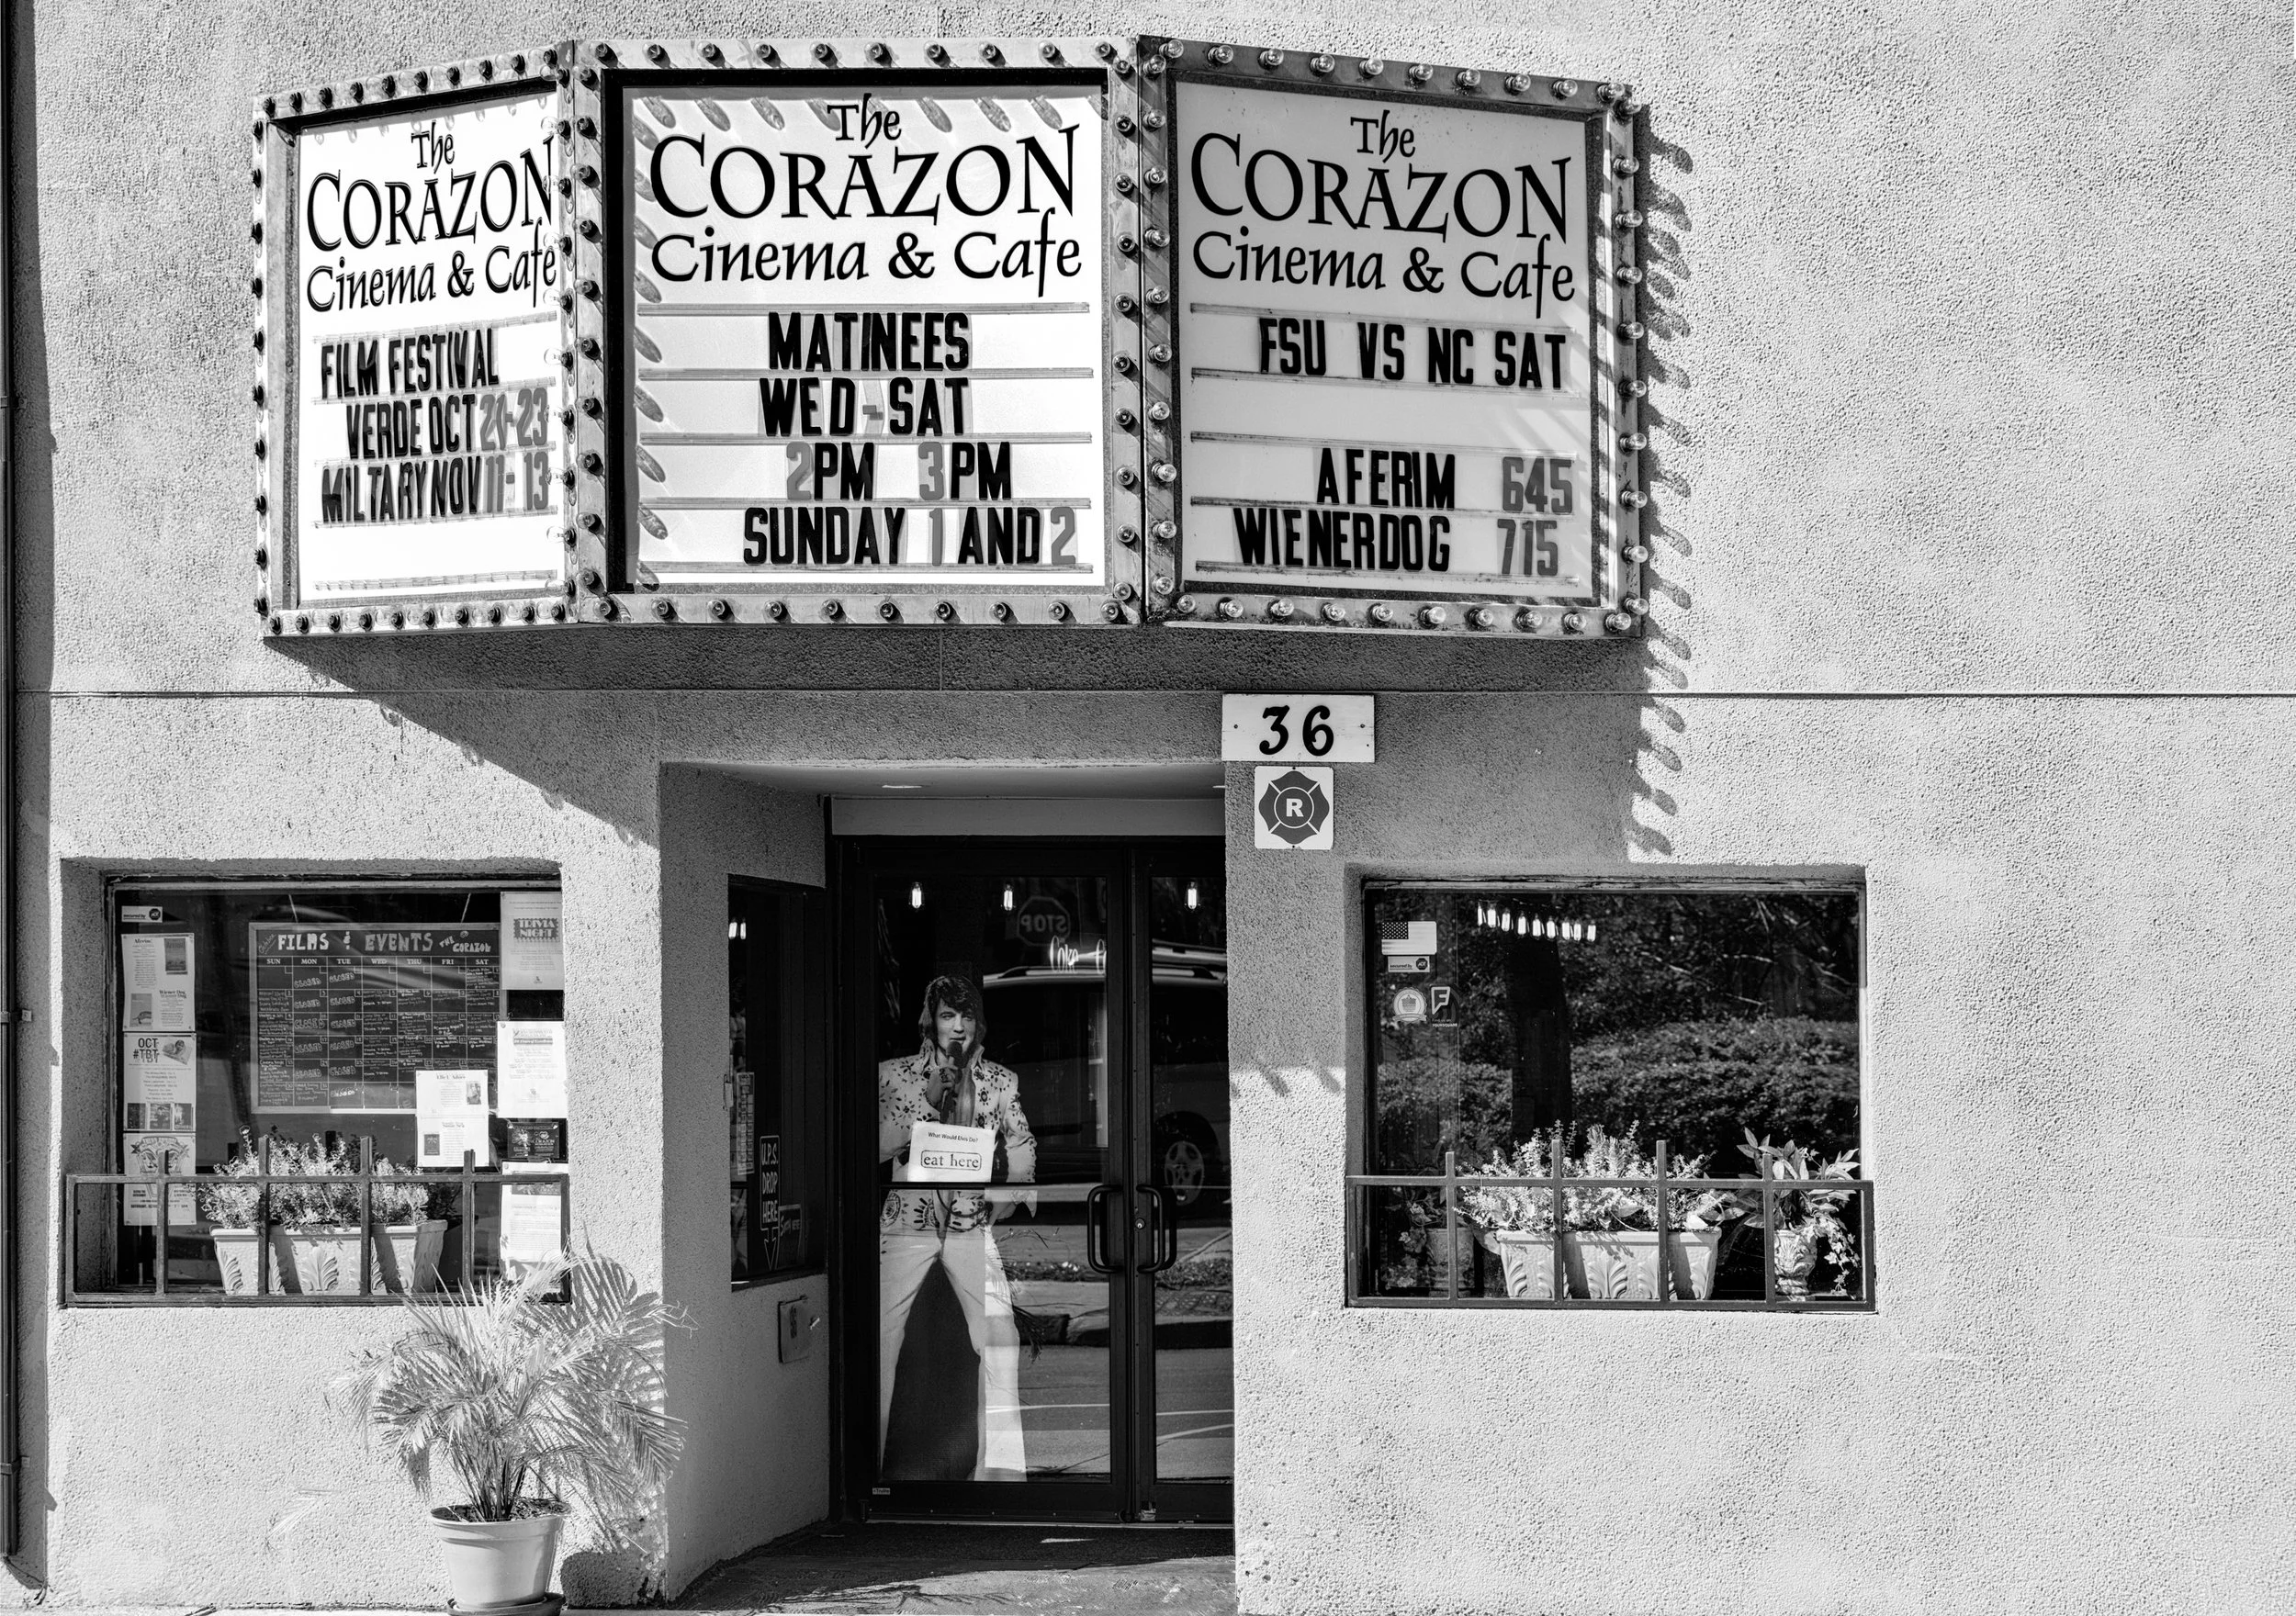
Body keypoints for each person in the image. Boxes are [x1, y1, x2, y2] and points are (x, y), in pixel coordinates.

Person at [878, 973, 1036, 1481]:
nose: (959, 1027)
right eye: (949, 1015)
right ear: (931, 1020)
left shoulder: (1000, 1081)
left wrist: (1009, 1194)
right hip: (908, 1221)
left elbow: (1022, 1143)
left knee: (999, 1337)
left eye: (967, 1016)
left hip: (970, 1222)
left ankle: (1001, 1477)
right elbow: (875, 1146)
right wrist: (926, 1099)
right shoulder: (894, 1076)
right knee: (877, 1339)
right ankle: (867, 1469)